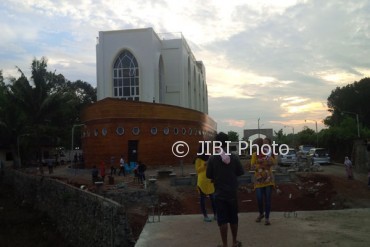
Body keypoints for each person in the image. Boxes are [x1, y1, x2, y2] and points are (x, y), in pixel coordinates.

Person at [206, 132, 244, 247]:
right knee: (233, 219)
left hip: (219, 193)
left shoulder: (212, 158)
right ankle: (234, 242)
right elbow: (240, 172)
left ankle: (225, 244)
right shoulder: (234, 157)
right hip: (232, 193)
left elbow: (208, 175)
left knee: (222, 220)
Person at [251, 137, 276, 226]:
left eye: (267, 144)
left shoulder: (270, 154)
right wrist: (262, 165)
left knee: (268, 200)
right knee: (259, 199)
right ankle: (261, 213)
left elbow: (273, 163)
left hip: (268, 180)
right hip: (258, 181)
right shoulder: (254, 154)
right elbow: (252, 166)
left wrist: (265, 160)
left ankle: (267, 218)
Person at [195, 145, 216, 222]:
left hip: (210, 181)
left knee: (213, 198)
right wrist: (204, 164)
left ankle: (215, 215)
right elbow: (197, 170)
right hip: (202, 181)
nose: (208, 151)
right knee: (202, 199)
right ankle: (205, 216)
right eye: (206, 149)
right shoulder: (198, 159)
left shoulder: (210, 157)